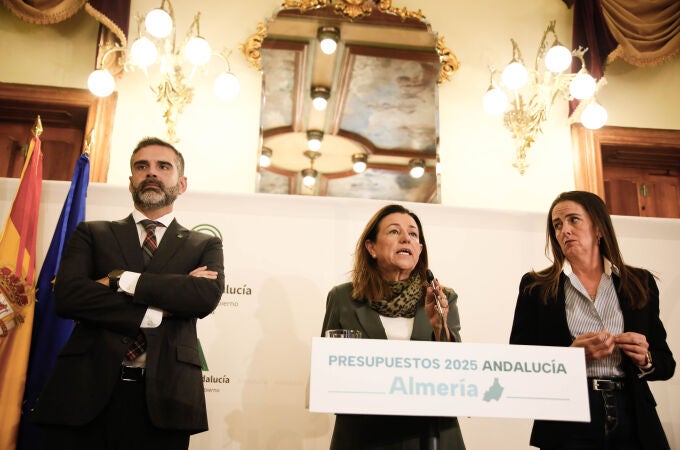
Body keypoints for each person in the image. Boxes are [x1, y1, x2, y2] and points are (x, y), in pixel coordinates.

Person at [31, 137, 225, 450]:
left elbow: (202, 297)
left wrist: (120, 280)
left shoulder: (203, 244)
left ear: (182, 183)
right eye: (141, 166)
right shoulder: (93, 233)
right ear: (130, 180)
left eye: (163, 166)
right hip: (83, 390)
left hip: (166, 397)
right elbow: (69, 296)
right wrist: (159, 306)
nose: (152, 173)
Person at [510, 190, 675, 450]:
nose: (564, 230)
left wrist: (646, 358)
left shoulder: (639, 282)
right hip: (568, 417)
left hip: (633, 413)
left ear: (598, 227)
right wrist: (568, 359)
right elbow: (519, 361)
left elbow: (666, 363)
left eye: (573, 220)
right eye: (557, 225)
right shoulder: (536, 287)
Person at [321, 204, 465, 450]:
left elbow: (459, 373)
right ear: (372, 247)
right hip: (364, 435)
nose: (406, 238)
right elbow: (327, 371)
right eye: (394, 232)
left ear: (419, 249)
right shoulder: (343, 298)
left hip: (430, 435)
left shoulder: (442, 298)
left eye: (413, 234)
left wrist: (440, 327)